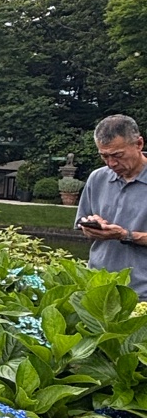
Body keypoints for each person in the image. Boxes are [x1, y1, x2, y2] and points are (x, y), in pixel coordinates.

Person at [75, 114, 147, 299]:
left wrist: (125, 235)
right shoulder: (97, 178)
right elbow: (82, 223)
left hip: (141, 292)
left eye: (117, 155)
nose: (111, 163)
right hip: (99, 287)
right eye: (104, 156)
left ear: (139, 144)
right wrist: (92, 225)